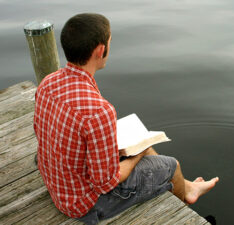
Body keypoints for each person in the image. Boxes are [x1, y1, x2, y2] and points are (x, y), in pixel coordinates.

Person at [33, 13, 219, 225]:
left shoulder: (48, 83)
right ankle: (184, 202)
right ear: (100, 50)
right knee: (171, 165)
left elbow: (41, 131)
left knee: (143, 146)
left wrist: (137, 149)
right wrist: (136, 155)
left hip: (58, 183)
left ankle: (188, 186)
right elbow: (105, 183)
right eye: (110, 41)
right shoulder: (99, 111)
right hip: (83, 204)